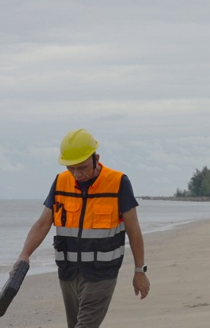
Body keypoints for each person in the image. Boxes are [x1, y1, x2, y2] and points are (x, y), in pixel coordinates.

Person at [15, 128, 150, 328]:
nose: (78, 174)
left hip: (101, 274)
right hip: (68, 273)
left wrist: (140, 271)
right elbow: (43, 223)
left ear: (96, 158)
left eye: (83, 167)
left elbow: (134, 230)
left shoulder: (118, 183)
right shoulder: (61, 182)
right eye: (72, 168)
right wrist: (24, 255)